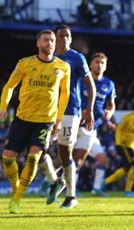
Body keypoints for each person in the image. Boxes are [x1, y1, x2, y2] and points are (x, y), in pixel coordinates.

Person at [0, 29, 70, 214]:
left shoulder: (63, 67)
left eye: (52, 40)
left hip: (45, 121)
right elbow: (9, 86)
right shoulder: (25, 63)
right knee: (7, 158)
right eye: (46, 40)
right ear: (37, 43)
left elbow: (65, 94)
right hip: (22, 118)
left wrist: (59, 119)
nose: (50, 43)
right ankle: (17, 189)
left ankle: (16, 199)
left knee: (33, 158)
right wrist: (3, 107)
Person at [46, 25, 96, 209]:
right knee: (38, 149)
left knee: (65, 154)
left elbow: (90, 85)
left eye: (67, 36)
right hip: (48, 111)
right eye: (61, 36)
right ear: (55, 38)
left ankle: (71, 196)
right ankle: (55, 181)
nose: (64, 39)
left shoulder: (76, 58)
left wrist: (89, 110)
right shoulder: (47, 58)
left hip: (69, 111)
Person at [73, 52, 117, 196]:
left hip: (92, 128)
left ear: (105, 67)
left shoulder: (109, 84)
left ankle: (96, 189)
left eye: (102, 63)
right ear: (90, 64)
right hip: (75, 124)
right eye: (96, 62)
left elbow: (111, 104)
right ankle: (68, 188)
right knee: (73, 159)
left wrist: (109, 113)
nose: (99, 65)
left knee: (102, 159)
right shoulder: (82, 80)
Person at [104, 95, 134, 197]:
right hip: (123, 144)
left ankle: (103, 183)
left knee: (126, 168)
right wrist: (117, 143)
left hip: (133, 146)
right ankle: (128, 191)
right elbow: (118, 130)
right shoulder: (127, 118)